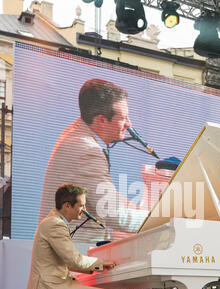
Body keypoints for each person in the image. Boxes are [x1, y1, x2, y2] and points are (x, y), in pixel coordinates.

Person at [38, 78, 148, 243]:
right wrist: (160, 218)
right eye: (123, 118)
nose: (129, 125)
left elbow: (107, 196)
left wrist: (141, 210)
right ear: (101, 120)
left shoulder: (76, 132)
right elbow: (114, 213)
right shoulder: (87, 150)